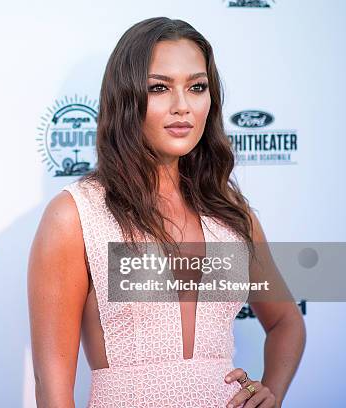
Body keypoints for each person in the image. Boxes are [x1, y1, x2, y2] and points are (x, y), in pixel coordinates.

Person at [28, 17, 305, 408]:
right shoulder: (77, 215)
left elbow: (286, 322)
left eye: (197, 87)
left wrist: (271, 393)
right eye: (159, 88)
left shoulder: (230, 214)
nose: (182, 106)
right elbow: (52, 389)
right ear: (126, 99)